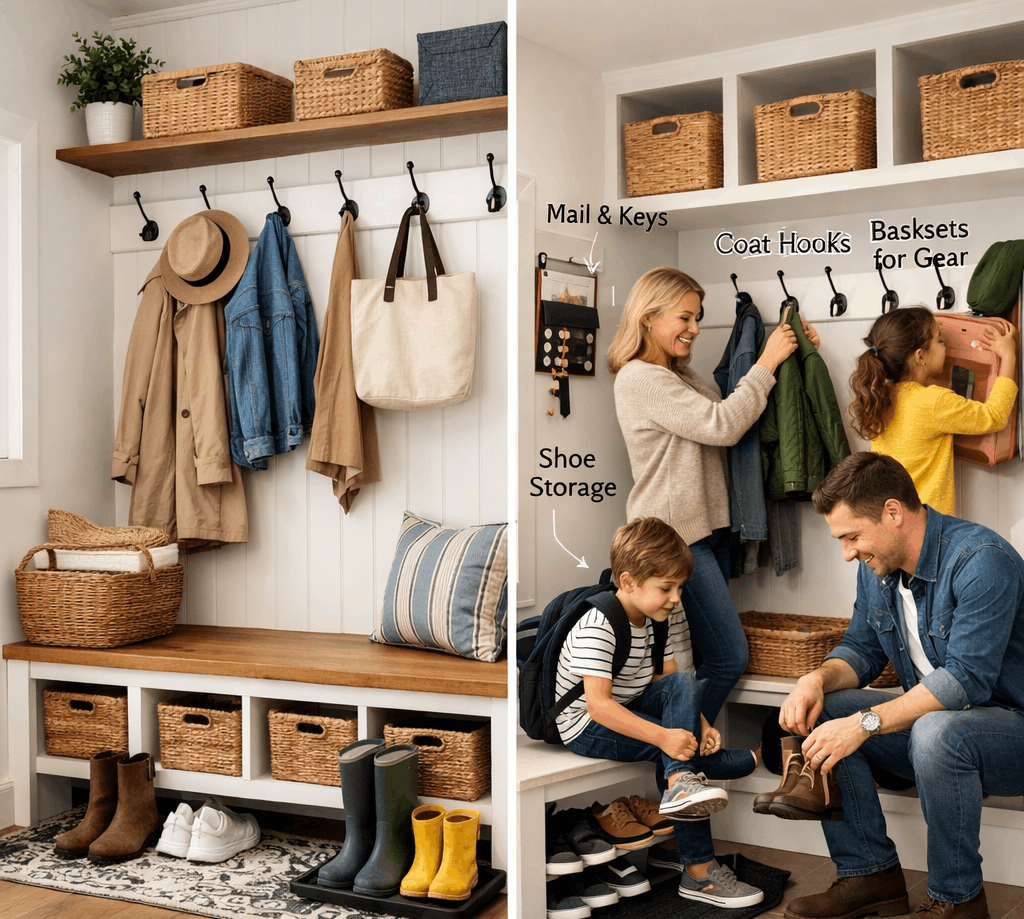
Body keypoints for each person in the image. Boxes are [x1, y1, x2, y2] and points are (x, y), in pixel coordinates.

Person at [778, 451, 1024, 919]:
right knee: (826, 709)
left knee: (936, 731)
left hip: (1012, 731)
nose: (848, 551)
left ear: (893, 513)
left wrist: (867, 723)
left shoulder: (980, 560)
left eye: (852, 536)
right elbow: (862, 650)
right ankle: (870, 875)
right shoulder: (879, 569)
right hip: (948, 733)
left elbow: (965, 681)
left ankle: (959, 902)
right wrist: (814, 679)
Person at [607, 266, 814, 723]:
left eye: (697, 318)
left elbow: (725, 400)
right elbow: (721, 425)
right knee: (726, 656)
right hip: (672, 540)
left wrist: (783, 358)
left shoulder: (676, 373)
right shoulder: (640, 377)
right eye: (685, 318)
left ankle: (685, 759)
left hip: (698, 532)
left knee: (695, 661)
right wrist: (768, 362)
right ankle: (682, 756)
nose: (695, 329)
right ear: (648, 318)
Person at [557, 516, 763, 908]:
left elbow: (670, 682)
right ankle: (699, 872)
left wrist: (699, 724)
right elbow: (598, 707)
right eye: (666, 588)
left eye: (680, 587)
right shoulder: (598, 624)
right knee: (672, 749)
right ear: (629, 582)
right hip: (585, 724)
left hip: (628, 707)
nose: (676, 598)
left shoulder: (655, 620)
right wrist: (665, 736)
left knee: (686, 685)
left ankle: (683, 779)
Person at [847, 306, 1017, 515]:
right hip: (927, 524)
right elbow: (994, 416)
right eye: (940, 340)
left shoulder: (881, 397)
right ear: (920, 357)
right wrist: (1009, 355)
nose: (946, 347)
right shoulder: (933, 401)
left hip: (893, 519)